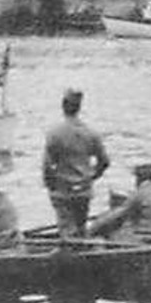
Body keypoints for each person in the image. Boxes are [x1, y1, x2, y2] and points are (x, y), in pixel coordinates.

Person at [42, 88, 110, 237]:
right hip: (84, 190)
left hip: (63, 190)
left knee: (66, 231)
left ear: (63, 105)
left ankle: (69, 255)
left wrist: (51, 185)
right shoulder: (91, 133)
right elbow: (104, 161)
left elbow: (47, 166)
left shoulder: (55, 133)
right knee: (81, 228)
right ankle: (82, 252)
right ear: (79, 107)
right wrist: (92, 176)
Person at [90, 162, 151, 237]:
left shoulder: (139, 193)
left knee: (115, 234)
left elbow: (117, 215)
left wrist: (92, 228)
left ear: (139, 179)